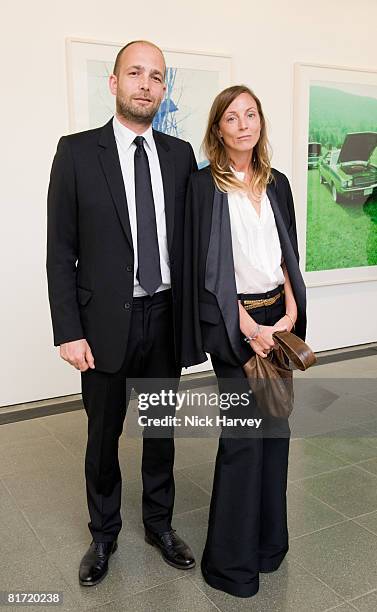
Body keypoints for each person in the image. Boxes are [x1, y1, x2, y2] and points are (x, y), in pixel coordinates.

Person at [47, 39, 197, 587]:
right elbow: (60, 250)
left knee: (160, 429)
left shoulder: (180, 156)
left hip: (163, 316)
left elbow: (193, 240)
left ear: (163, 89)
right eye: (135, 74)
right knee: (102, 434)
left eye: (156, 77)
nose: (146, 85)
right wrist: (68, 329)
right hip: (104, 321)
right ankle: (103, 534)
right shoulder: (77, 152)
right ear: (114, 84)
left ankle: (159, 524)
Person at [181, 85, 307, 598]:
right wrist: (247, 328)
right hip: (232, 325)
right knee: (242, 441)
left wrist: (290, 314)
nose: (243, 124)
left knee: (276, 434)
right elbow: (207, 270)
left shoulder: (276, 183)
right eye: (231, 118)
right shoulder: (203, 187)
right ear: (218, 130)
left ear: (260, 122)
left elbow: (286, 257)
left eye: (250, 114)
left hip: (278, 319)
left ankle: (267, 548)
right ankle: (230, 566)